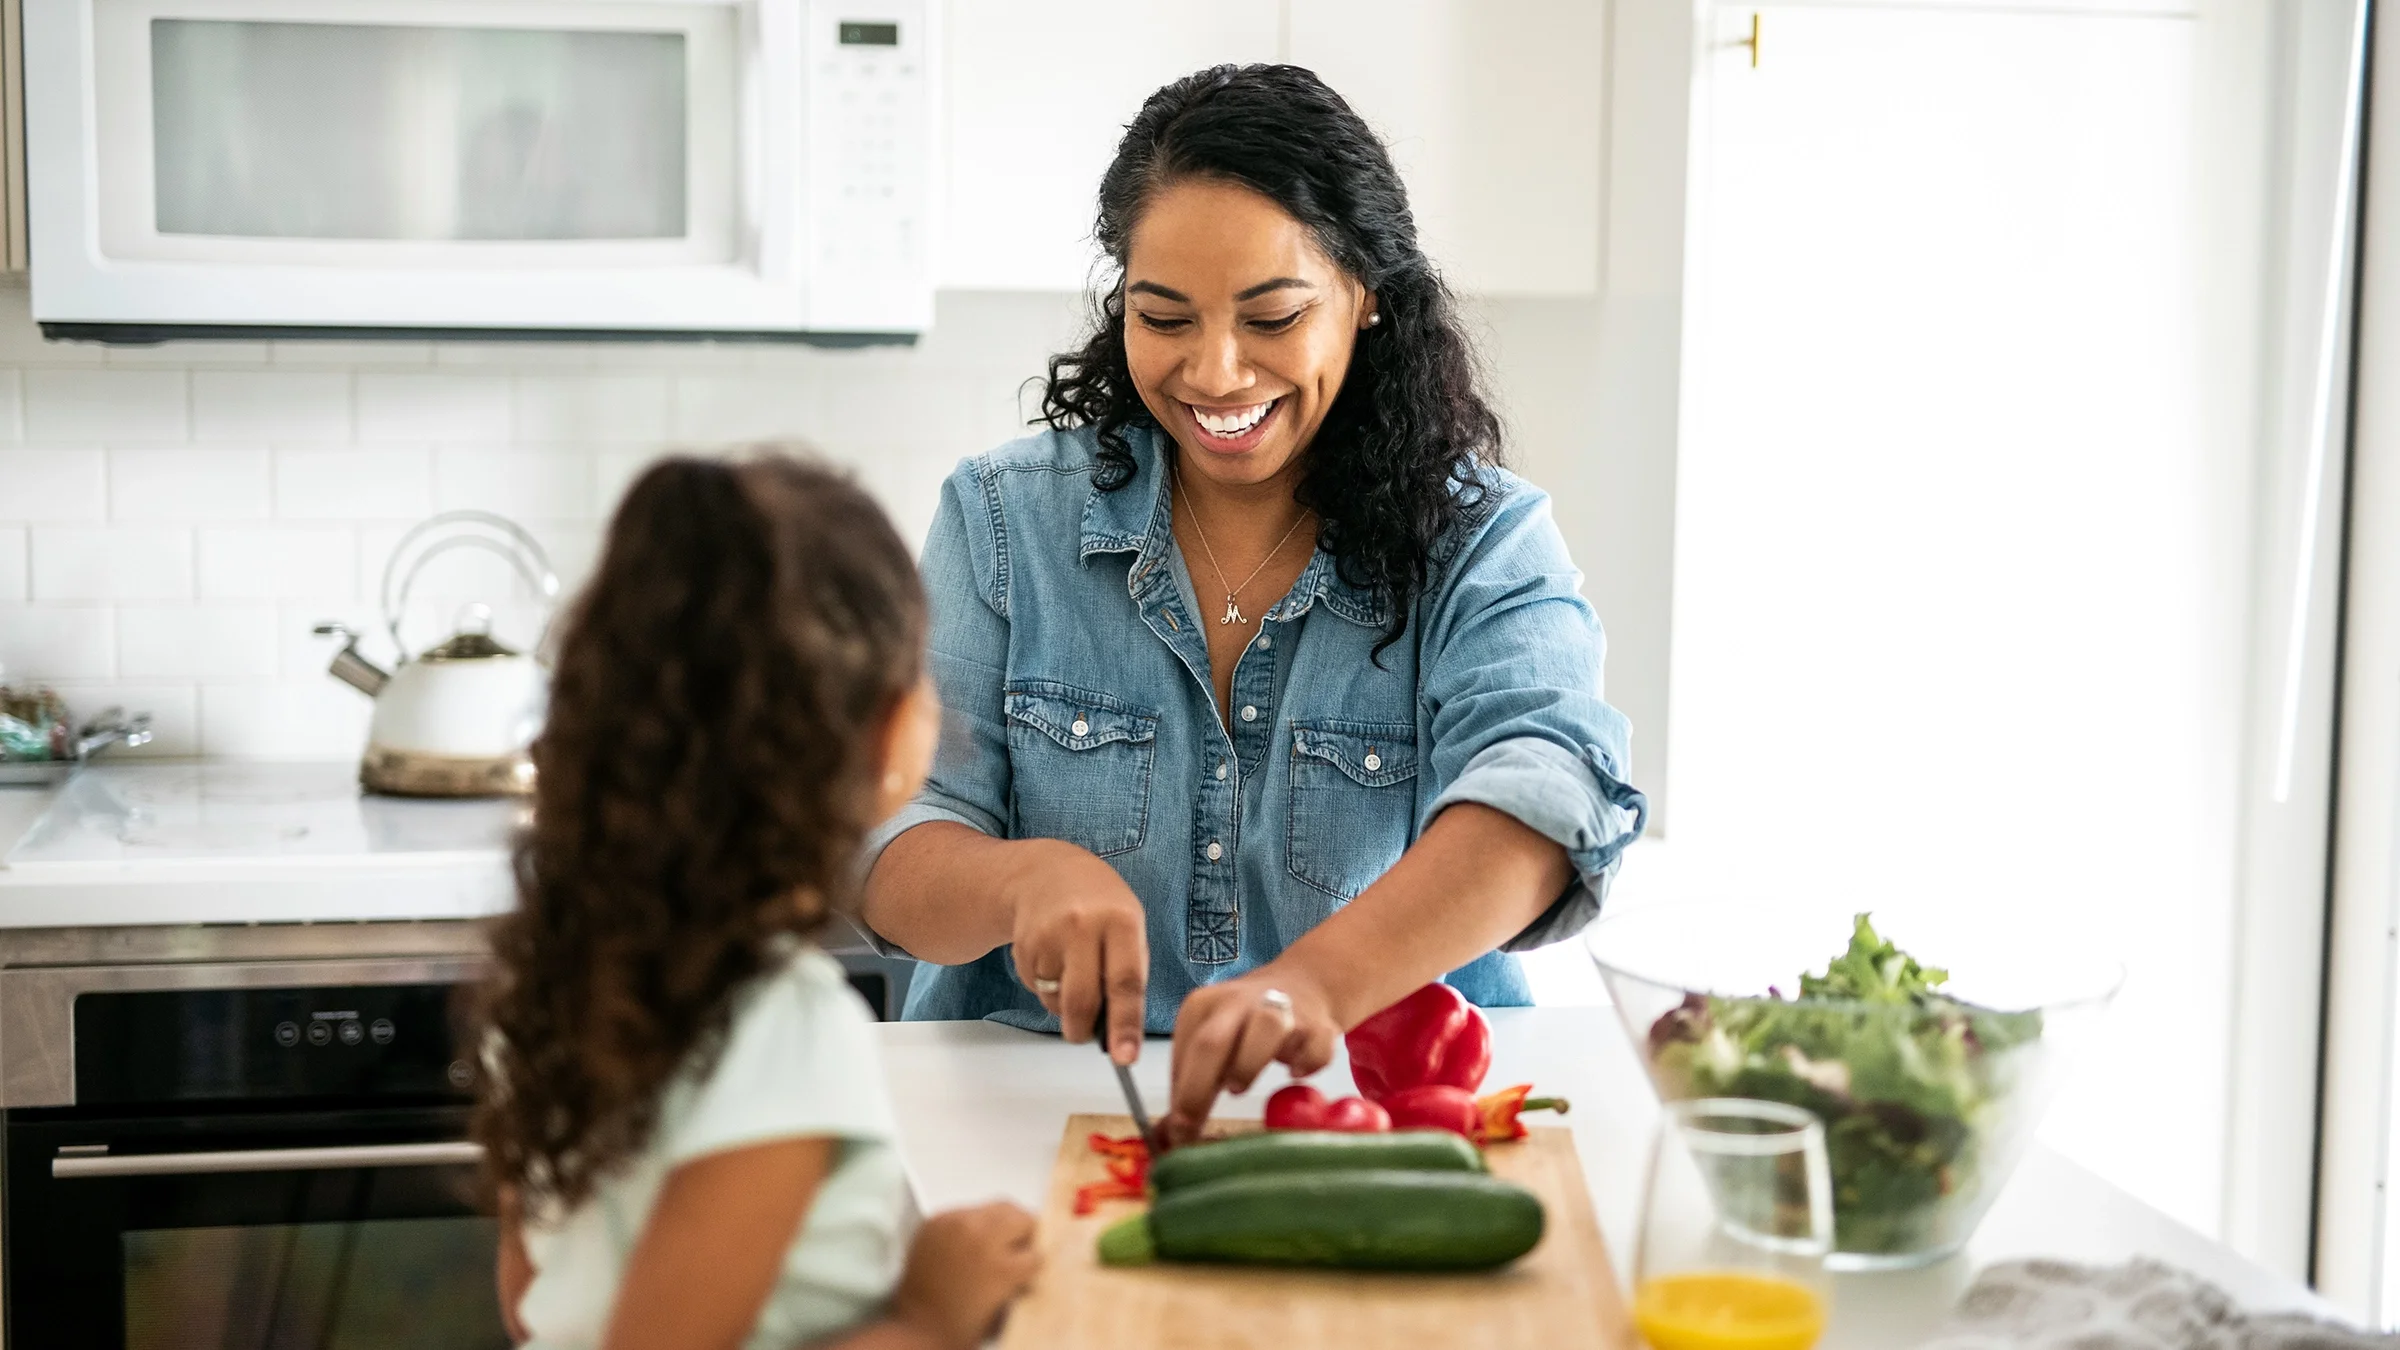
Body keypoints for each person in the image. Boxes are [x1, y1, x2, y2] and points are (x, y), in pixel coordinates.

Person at [860, 64, 1649, 1143]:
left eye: (1271, 315)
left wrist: (1318, 985)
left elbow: (1551, 789)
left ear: (1367, 295)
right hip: (1031, 1117)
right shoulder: (1002, 522)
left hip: (1388, 1117)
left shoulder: (1484, 540)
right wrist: (1014, 880)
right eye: (1163, 317)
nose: (1215, 373)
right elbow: (893, 836)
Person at [474, 453, 1038, 1349]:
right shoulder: (785, 1026)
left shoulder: (569, 970)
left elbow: (535, 1302)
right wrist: (928, 1316)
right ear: (885, 734)